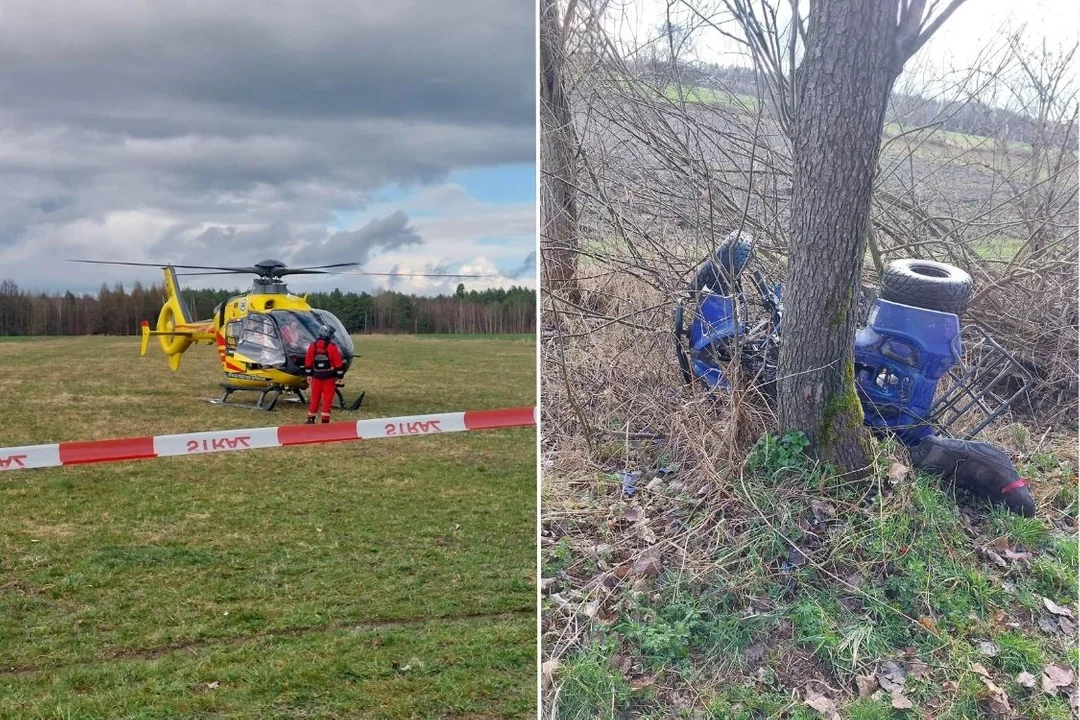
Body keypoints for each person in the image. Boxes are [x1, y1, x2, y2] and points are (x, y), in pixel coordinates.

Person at [304, 324, 345, 424]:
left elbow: (308, 361)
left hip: (316, 377)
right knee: (327, 399)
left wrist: (309, 374)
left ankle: (311, 418)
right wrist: (340, 376)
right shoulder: (332, 347)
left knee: (315, 398)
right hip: (329, 378)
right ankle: (325, 421)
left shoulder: (313, 346)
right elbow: (338, 363)